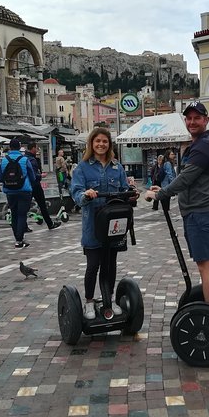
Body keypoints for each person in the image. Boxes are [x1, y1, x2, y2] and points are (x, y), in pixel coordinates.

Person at [145, 102, 209, 306]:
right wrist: (161, 190)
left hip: (200, 212)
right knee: (203, 264)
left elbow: (186, 178)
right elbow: (187, 178)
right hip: (196, 211)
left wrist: (162, 194)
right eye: (189, 118)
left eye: (197, 118)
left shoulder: (204, 145)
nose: (192, 122)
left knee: (206, 265)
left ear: (206, 120)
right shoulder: (198, 144)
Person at [71, 127, 135, 319]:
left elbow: (125, 190)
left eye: (104, 141)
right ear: (91, 143)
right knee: (93, 265)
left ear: (109, 144)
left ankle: (110, 299)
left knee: (110, 264)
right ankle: (89, 302)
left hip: (113, 225)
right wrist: (86, 195)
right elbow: (75, 194)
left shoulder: (117, 167)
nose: (101, 144)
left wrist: (131, 194)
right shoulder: (82, 168)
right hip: (93, 226)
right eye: (97, 141)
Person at [0, 138, 36, 248]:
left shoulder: (4, 160)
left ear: (10, 147)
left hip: (10, 191)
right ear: (19, 147)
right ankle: (20, 239)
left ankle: (17, 238)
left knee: (14, 214)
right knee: (22, 214)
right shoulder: (24, 159)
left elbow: (0, 177)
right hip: (24, 191)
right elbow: (32, 176)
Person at [25, 142, 61, 230]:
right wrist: (40, 176)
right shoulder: (32, 160)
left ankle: (24, 226)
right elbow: (33, 174)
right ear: (32, 148)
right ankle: (50, 224)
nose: (37, 150)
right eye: (36, 148)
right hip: (35, 185)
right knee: (42, 205)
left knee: (25, 206)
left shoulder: (24, 158)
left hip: (27, 185)